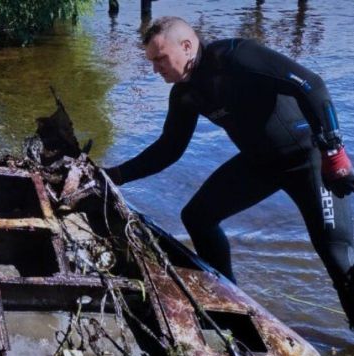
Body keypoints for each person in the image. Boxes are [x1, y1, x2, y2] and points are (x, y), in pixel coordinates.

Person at [104, 16, 354, 327]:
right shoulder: (185, 94)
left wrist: (333, 150)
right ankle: (230, 300)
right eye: (152, 62)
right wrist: (113, 176)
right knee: (197, 217)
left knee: (337, 257)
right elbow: (169, 150)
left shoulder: (237, 57)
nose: (156, 69)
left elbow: (311, 84)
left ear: (186, 45)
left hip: (309, 160)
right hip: (260, 163)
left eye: (160, 59)